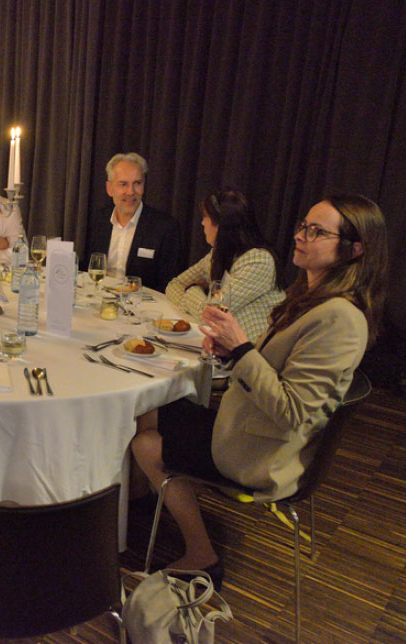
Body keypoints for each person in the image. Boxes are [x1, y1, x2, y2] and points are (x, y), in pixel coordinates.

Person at [131, 194, 388, 586]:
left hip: (262, 450)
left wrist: (241, 349)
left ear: (354, 250)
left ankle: (201, 554)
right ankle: (144, 501)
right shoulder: (311, 298)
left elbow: (293, 412)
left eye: (317, 231)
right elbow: (272, 369)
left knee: (145, 443)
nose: (300, 236)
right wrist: (232, 353)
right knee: (147, 408)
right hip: (248, 423)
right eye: (303, 226)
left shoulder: (340, 318)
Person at [165, 188, 284, 342]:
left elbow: (213, 314)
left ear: (220, 225)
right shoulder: (217, 254)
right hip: (222, 344)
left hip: (253, 350)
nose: (202, 223)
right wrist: (198, 304)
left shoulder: (259, 261)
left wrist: (192, 290)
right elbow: (175, 285)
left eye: (206, 218)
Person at [82, 153, 181, 291]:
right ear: (109, 188)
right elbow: (87, 269)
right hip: (99, 298)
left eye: (137, 183)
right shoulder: (98, 220)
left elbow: (169, 284)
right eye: (123, 184)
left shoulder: (165, 227)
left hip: (141, 302)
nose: (130, 192)